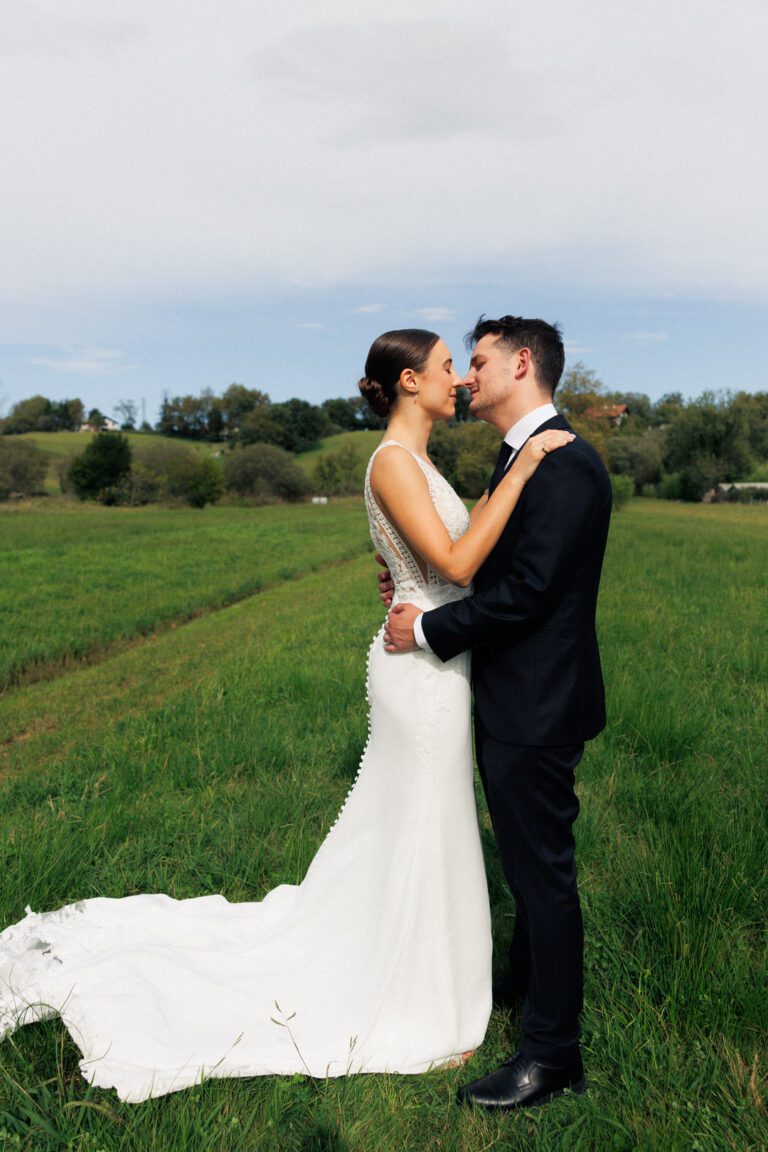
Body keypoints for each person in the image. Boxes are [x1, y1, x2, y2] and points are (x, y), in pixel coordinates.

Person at [0, 329, 571, 1104]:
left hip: (437, 657)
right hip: (421, 674)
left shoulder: (418, 460)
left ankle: (437, 974)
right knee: (423, 824)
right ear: (408, 382)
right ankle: (416, 993)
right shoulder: (395, 462)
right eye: (447, 368)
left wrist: (412, 583)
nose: (459, 381)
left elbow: (442, 562)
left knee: (426, 824)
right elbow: (460, 562)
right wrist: (527, 466)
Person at [382, 316, 612, 1112]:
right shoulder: (520, 460)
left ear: (523, 364)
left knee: (542, 877)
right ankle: (520, 988)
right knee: (525, 863)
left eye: (476, 361)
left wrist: (429, 627)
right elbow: (486, 569)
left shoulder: (567, 466)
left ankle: (553, 1056)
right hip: (514, 695)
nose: (467, 375)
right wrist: (423, 592)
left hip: (539, 703)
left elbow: (528, 594)